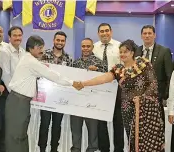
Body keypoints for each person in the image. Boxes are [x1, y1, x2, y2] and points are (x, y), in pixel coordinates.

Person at [79, 39, 165, 151]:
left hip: (145, 108)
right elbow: (104, 78)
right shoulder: (119, 69)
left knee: (147, 138)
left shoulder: (143, 64)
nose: (122, 54)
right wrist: (84, 83)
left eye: (125, 52)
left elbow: (153, 84)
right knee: (131, 136)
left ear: (132, 53)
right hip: (127, 109)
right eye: (121, 52)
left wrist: (142, 99)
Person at [4, 35, 81, 152]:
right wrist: (73, 82)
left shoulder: (29, 59)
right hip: (18, 102)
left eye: (42, 48)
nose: (42, 51)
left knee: (21, 134)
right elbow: (53, 76)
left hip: (21, 101)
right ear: (30, 48)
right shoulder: (31, 61)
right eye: (39, 48)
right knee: (16, 136)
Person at [70, 38, 107, 152]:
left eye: (88, 46)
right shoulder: (75, 63)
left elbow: (106, 79)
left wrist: (97, 70)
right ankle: (76, 149)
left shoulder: (100, 63)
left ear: (92, 47)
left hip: (92, 103)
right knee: (75, 131)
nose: (85, 49)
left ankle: (91, 150)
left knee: (93, 133)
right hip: (76, 102)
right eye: (83, 46)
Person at [38, 31, 73, 152]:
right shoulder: (43, 55)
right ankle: (42, 148)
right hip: (46, 96)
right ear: (54, 40)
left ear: (65, 42)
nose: (60, 42)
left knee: (57, 125)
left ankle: (54, 148)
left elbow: (69, 78)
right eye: (58, 40)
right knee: (44, 124)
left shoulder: (68, 58)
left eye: (62, 40)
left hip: (60, 97)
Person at [92, 23, 124, 152]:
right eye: (101, 31)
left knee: (118, 122)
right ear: (98, 33)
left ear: (111, 32)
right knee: (101, 123)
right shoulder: (94, 47)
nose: (104, 33)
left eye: (106, 31)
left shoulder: (119, 46)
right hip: (99, 89)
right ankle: (104, 149)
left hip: (117, 89)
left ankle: (118, 149)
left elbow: (124, 65)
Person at [135, 25, 173, 123]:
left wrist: (165, 96)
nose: (147, 36)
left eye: (149, 33)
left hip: (157, 96)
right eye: (144, 33)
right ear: (141, 36)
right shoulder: (136, 51)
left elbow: (169, 75)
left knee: (157, 126)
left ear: (154, 35)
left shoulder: (164, 51)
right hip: (140, 97)